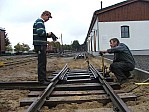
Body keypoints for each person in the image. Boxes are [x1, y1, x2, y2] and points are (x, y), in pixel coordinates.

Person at [33, 10, 58, 84]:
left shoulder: (40, 22)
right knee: (41, 62)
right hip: (40, 45)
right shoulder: (39, 22)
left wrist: (48, 35)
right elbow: (40, 33)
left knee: (43, 62)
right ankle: (42, 80)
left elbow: (41, 33)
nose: (48, 19)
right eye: (48, 17)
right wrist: (49, 34)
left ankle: (44, 79)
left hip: (41, 45)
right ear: (45, 15)